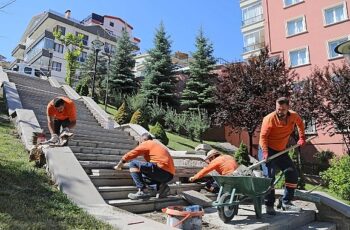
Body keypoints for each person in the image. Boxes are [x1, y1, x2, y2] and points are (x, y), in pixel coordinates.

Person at [259, 97, 306, 215]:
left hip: (281, 150)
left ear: (288, 108)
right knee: (269, 176)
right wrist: (265, 153)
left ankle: (286, 202)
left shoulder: (294, 116)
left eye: (283, 109)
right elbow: (263, 137)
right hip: (267, 149)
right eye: (278, 109)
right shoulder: (269, 119)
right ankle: (269, 204)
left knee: (292, 172)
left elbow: (300, 123)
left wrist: (301, 137)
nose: (280, 111)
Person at [114, 133, 175, 200]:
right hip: (169, 175)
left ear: (144, 139)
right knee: (141, 176)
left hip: (160, 169)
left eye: (140, 142)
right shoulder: (158, 146)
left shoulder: (147, 143)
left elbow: (132, 153)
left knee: (133, 164)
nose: (140, 144)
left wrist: (119, 165)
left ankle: (143, 191)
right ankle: (162, 187)